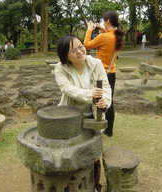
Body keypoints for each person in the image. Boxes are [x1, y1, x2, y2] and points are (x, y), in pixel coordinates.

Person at [55, 34, 111, 192]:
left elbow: (105, 87)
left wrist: (104, 101)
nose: (80, 51)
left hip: (93, 116)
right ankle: (71, 185)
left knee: (93, 153)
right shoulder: (60, 68)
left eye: (81, 46)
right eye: (73, 50)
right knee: (70, 151)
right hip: (70, 117)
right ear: (66, 56)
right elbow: (67, 89)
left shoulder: (96, 63)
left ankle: (95, 186)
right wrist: (91, 95)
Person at [84, 10, 125, 137]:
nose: (102, 23)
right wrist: (103, 29)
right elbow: (109, 38)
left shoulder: (103, 37)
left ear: (108, 21)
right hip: (111, 73)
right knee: (109, 100)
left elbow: (86, 45)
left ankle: (97, 125)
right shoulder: (117, 37)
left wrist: (89, 29)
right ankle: (109, 130)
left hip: (100, 73)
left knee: (97, 99)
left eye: (103, 21)